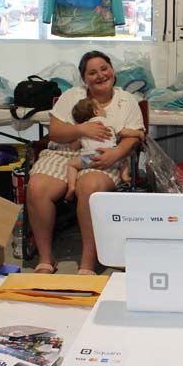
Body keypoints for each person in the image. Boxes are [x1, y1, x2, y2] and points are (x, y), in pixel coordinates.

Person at [27, 51, 144, 275]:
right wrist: (81, 129)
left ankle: (87, 264)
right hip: (63, 153)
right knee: (37, 187)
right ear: (84, 79)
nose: (100, 75)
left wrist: (116, 154)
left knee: (89, 188)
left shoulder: (126, 101)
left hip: (106, 155)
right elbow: (55, 132)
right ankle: (45, 258)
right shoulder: (72, 96)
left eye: (104, 69)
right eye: (92, 72)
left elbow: (133, 135)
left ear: (113, 70)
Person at [64, 97, 144, 200]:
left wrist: (79, 141)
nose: (104, 110)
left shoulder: (84, 128)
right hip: (113, 158)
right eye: (101, 108)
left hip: (91, 159)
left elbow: (73, 147)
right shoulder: (109, 121)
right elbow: (125, 132)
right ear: (96, 111)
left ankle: (71, 186)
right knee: (126, 156)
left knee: (71, 164)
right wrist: (139, 133)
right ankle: (124, 175)